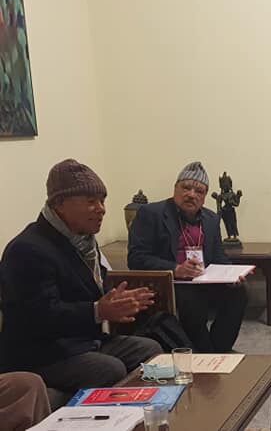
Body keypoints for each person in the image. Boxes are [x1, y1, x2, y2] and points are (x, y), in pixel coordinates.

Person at [0, 159, 162, 392]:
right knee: (109, 369)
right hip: (42, 353)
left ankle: (141, 408)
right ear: (60, 203)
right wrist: (98, 311)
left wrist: (120, 302)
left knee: (150, 350)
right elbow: (40, 316)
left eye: (102, 201)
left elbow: (93, 294)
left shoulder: (84, 242)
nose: (101, 209)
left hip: (83, 341)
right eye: (91, 202)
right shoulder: (28, 249)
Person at [128, 161, 248, 353]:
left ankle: (219, 348)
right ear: (175, 188)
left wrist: (231, 275)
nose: (192, 194)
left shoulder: (211, 219)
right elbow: (136, 258)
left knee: (239, 292)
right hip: (170, 283)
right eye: (186, 188)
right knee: (192, 299)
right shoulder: (151, 214)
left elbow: (219, 257)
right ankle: (205, 352)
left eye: (199, 191)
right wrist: (176, 269)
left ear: (205, 196)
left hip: (203, 279)